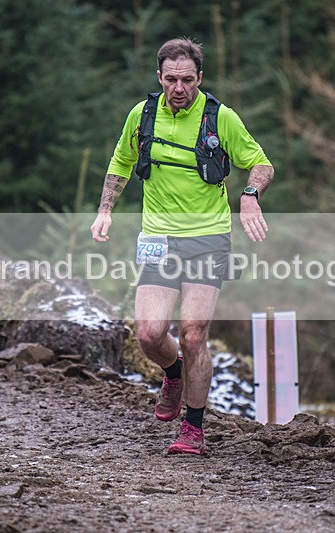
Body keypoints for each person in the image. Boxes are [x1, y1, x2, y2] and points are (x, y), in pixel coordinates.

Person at [90, 37, 273, 455]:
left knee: (193, 336)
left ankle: (193, 429)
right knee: (150, 335)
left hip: (209, 237)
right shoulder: (142, 115)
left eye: (187, 80)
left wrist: (249, 195)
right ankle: (172, 373)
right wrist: (105, 210)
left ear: (199, 79)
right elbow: (121, 162)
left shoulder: (220, 118)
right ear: (159, 77)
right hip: (158, 237)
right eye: (171, 79)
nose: (179, 87)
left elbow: (261, 162)